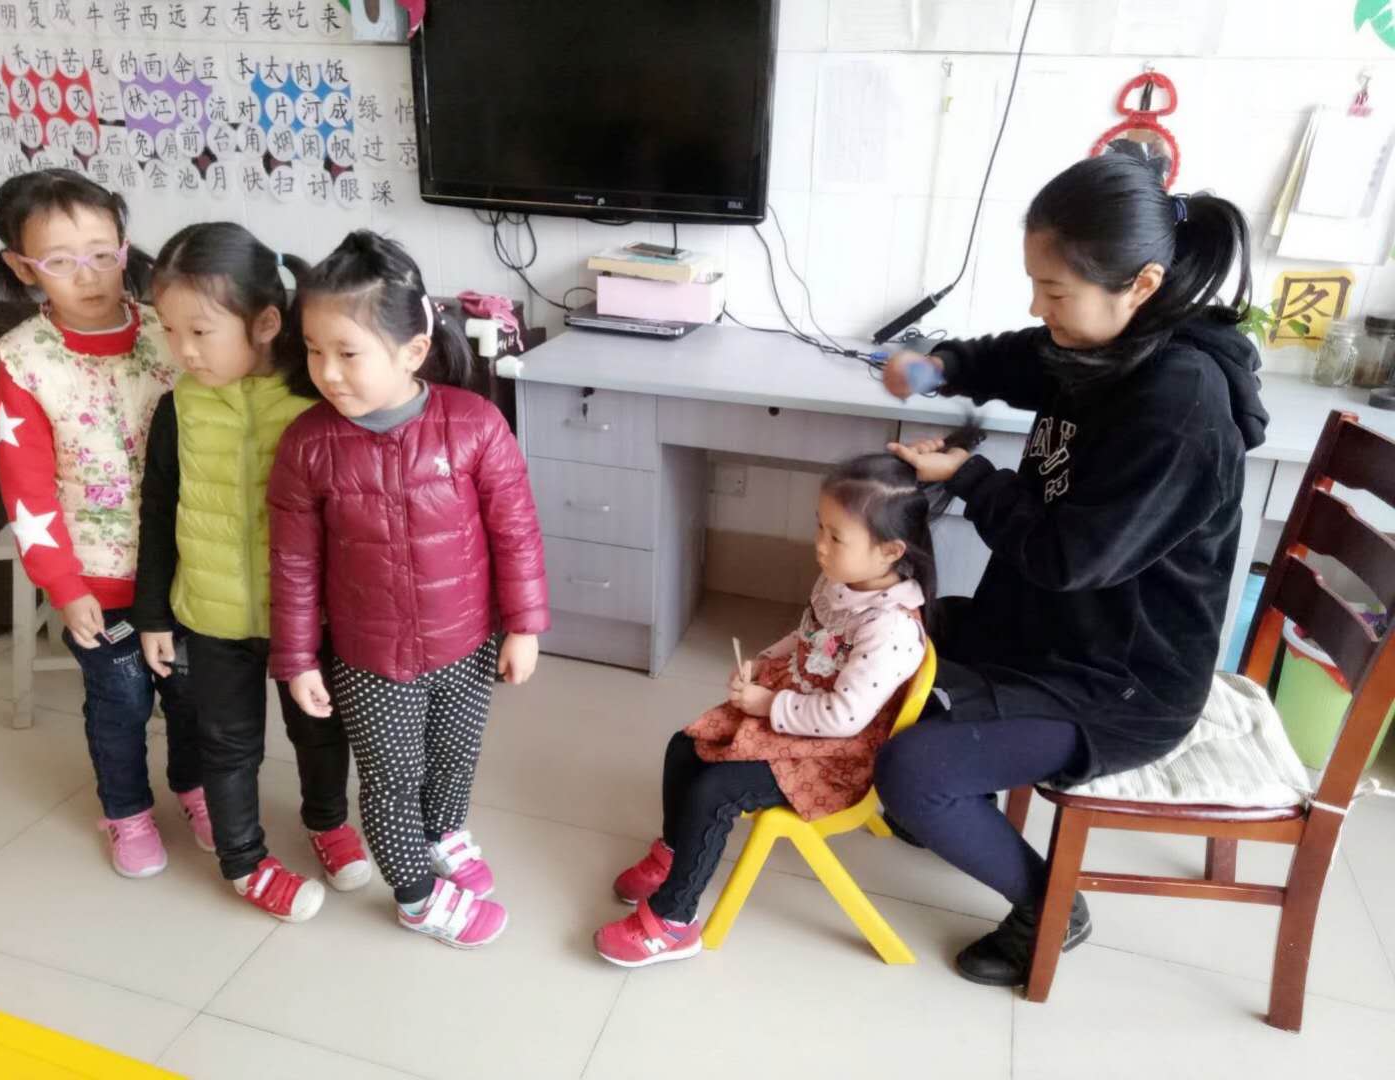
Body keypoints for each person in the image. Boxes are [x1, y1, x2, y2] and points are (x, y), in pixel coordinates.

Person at [875, 154, 1269, 987]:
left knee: (910, 768)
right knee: (888, 635)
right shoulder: (1101, 344)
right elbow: (1020, 356)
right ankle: (956, 800)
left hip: (1120, 685)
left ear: (1142, 284)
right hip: (1047, 635)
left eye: (1054, 292)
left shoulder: (1181, 403)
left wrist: (970, 478)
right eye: (1035, 285)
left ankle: (1048, 908)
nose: (1037, 308)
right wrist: (937, 366)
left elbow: (1068, 558)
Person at [592, 436, 981, 968]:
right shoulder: (842, 578)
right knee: (683, 747)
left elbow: (844, 717)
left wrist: (766, 705)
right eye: (820, 527)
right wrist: (764, 661)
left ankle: (675, 919)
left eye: (836, 536)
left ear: (891, 551)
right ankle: (675, 850)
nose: (820, 545)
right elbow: (807, 635)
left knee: (713, 790)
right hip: (795, 711)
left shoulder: (890, 628)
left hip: (834, 755)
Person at [268, 231, 549, 949]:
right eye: (314, 350)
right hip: (370, 658)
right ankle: (418, 898)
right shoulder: (307, 444)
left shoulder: (475, 424)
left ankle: (444, 832)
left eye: (348, 353)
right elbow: (293, 562)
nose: (327, 373)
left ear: (413, 351)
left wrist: (523, 626)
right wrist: (296, 659)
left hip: (468, 642)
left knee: (455, 759)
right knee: (392, 780)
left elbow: (516, 532)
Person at [0, 169, 206, 878]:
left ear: (125, 248)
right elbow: (27, 492)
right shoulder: (25, 362)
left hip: (187, 566)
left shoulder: (168, 330)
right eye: (61, 261)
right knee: (120, 700)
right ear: (23, 267)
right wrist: (64, 587)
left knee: (192, 694)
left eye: (102, 254)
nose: (89, 275)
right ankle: (126, 812)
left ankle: (196, 789)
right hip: (96, 581)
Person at [133, 223, 372, 923]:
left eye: (201, 332)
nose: (182, 350)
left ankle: (326, 821)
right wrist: (154, 612)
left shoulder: (317, 404)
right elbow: (158, 510)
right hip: (211, 614)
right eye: (169, 329)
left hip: (306, 619)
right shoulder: (178, 406)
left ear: (266, 323)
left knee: (319, 733)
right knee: (227, 744)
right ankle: (243, 861)